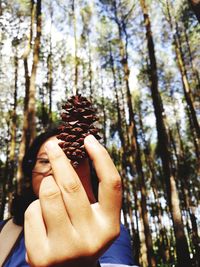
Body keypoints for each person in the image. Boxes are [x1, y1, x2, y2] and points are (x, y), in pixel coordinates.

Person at [0, 128, 138, 267]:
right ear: (30, 170)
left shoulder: (107, 230)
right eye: (45, 160)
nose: (55, 168)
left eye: (72, 160)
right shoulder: (3, 229)